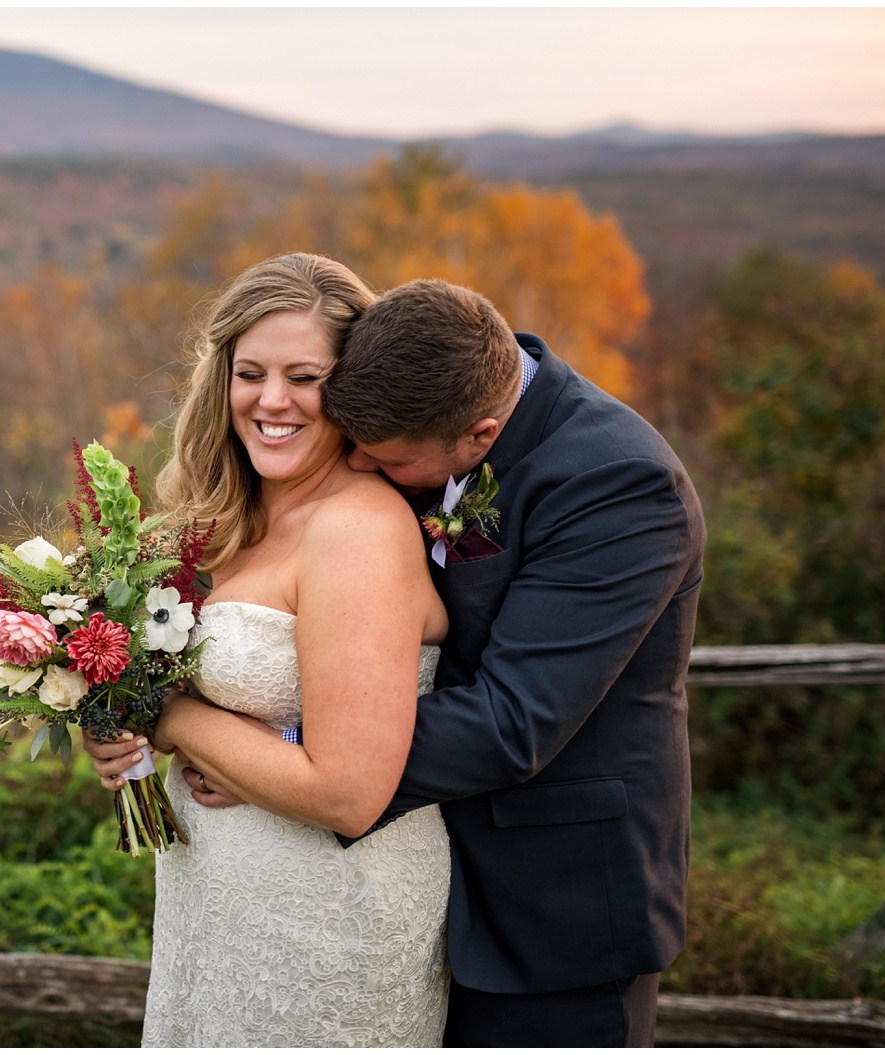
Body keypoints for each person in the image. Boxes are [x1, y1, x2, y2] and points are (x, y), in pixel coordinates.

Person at [94, 276, 705, 1046]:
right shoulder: (411, 411)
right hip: (382, 878)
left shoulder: (618, 483)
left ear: (480, 436)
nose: (361, 466)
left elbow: (513, 719)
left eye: (381, 459)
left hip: (551, 901)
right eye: (251, 373)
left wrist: (271, 754)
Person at [102, 253, 453, 1046]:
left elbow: (348, 792)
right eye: (250, 372)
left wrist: (174, 722)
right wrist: (114, 723)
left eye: (305, 376)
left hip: (328, 916)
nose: (272, 401)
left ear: (354, 389)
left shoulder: (357, 529)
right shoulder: (219, 518)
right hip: (212, 903)